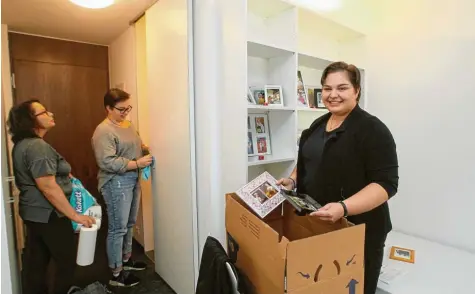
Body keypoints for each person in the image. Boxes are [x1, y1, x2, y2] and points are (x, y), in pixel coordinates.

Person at [277, 62, 399, 294]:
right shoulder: (318, 124)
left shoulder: (373, 130)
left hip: (360, 230)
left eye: (341, 88)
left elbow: (385, 184)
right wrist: (292, 180)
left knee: (353, 288)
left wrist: (343, 208)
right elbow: (307, 160)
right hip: (319, 224)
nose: (333, 95)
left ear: (356, 91)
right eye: (326, 88)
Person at [7, 100, 96, 294]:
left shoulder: (23, 145)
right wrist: (76, 216)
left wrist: (65, 175)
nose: (51, 114)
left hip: (34, 213)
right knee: (66, 261)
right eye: (44, 112)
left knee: (37, 262)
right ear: (30, 120)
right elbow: (47, 187)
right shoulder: (37, 147)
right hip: (49, 214)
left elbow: (44, 174)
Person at [92, 88, 153, 287]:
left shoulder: (127, 124)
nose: (126, 112)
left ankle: (126, 261)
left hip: (132, 178)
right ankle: (116, 273)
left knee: (129, 223)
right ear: (108, 108)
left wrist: (145, 148)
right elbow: (107, 162)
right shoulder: (103, 131)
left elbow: (135, 144)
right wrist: (138, 164)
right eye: (121, 109)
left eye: (128, 108)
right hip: (115, 183)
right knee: (118, 228)